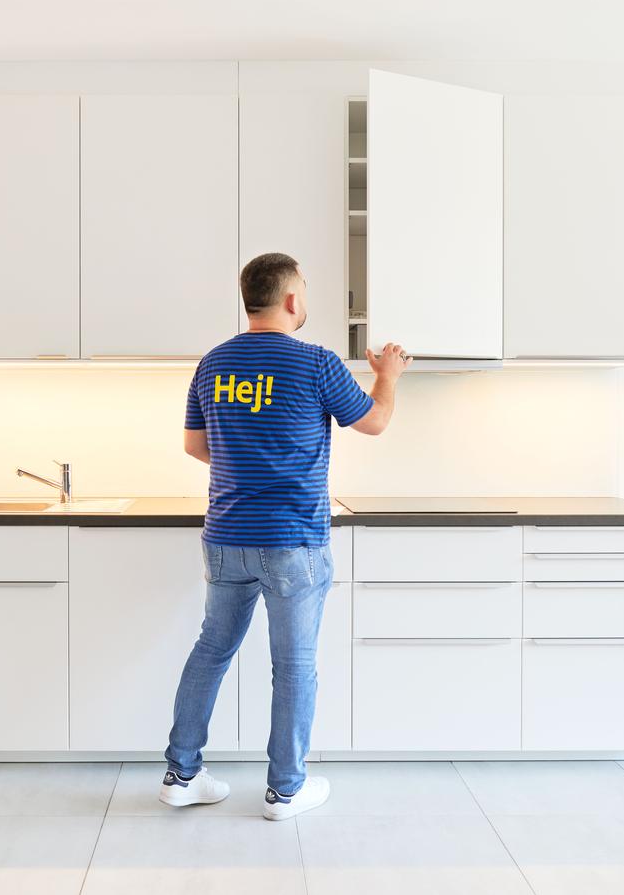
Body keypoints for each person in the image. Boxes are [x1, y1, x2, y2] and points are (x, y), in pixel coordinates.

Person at [160, 251, 410, 820]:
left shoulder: (214, 363)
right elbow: (373, 421)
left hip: (226, 536)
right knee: (293, 664)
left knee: (211, 650)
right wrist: (387, 376)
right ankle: (286, 789)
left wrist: (247, 460)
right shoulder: (315, 363)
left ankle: (181, 775)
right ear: (293, 300)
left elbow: (195, 447)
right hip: (293, 539)